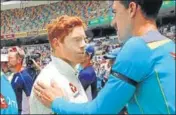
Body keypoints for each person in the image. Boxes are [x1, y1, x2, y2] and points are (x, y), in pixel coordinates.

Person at [34, 0, 175, 114]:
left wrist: (56, 102)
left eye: (115, 12)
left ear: (132, 9)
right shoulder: (169, 45)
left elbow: (98, 111)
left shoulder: (137, 47)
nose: (113, 22)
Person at [30, 15, 88, 114]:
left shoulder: (69, 73)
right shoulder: (47, 83)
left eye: (84, 39)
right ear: (57, 44)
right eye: (77, 40)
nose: (84, 44)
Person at [8, 46, 33, 114]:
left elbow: (31, 101)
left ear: (19, 60)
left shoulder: (25, 77)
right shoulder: (13, 75)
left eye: (10, 58)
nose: (8, 60)